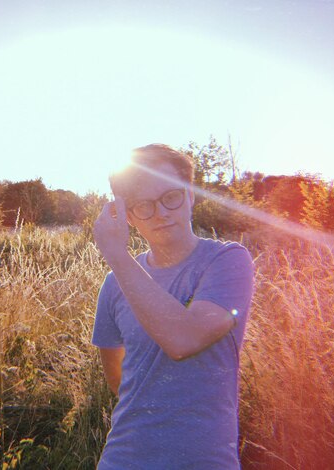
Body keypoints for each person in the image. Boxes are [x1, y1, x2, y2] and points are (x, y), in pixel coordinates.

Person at [91, 144, 254, 469]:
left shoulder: (228, 260)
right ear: (129, 217)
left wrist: (117, 255)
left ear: (191, 195)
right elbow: (119, 380)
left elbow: (184, 339)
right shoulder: (115, 284)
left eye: (172, 197)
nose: (162, 212)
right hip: (123, 460)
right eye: (144, 206)